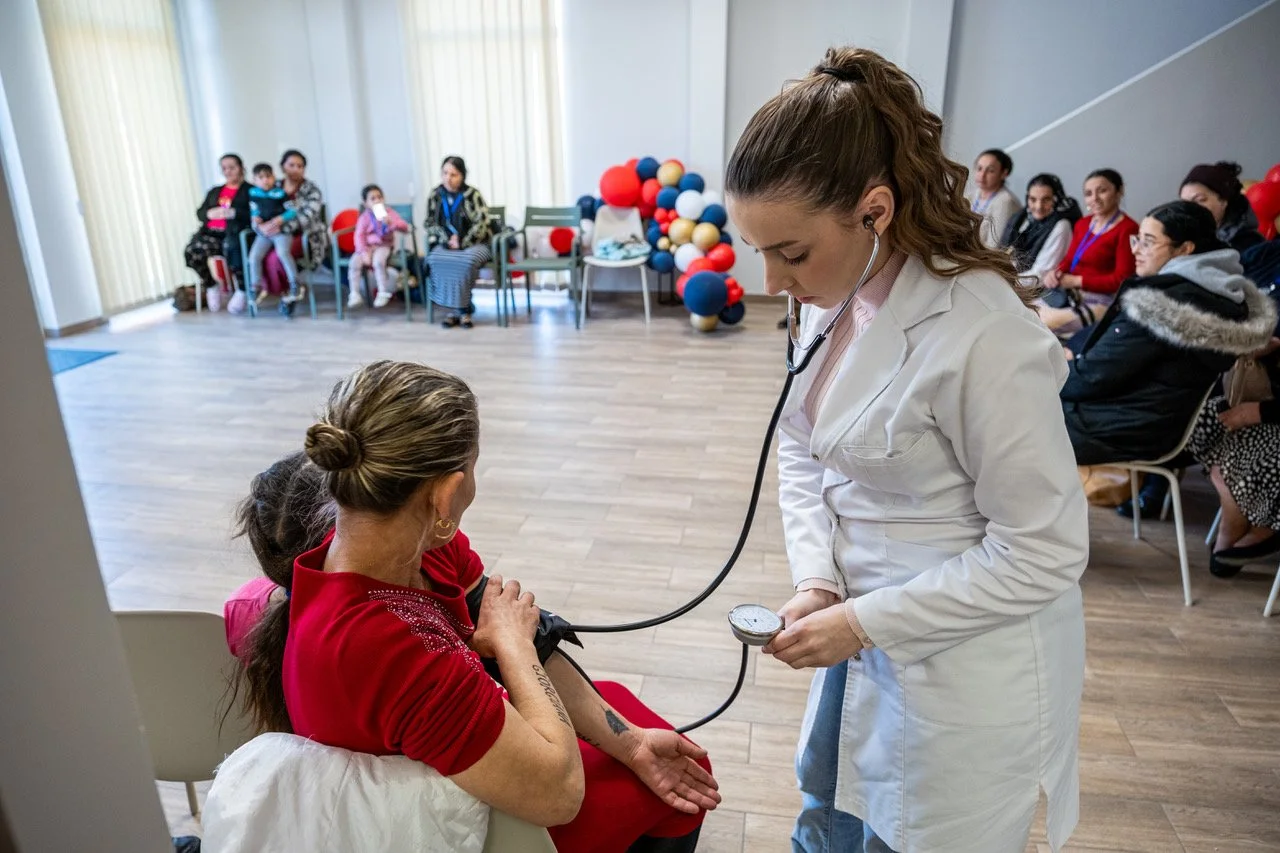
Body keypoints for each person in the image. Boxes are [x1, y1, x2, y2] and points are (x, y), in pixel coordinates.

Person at [725, 47, 1088, 853]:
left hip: (962, 665)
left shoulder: (983, 333)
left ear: (875, 211)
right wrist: (818, 578)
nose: (773, 282)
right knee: (828, 814)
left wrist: (865, 622)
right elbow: (803, 447)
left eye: (791, 252)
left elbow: (1044, 551)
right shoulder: (834, 291)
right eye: (759, 252)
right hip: (856, 628)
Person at [231, 362, 720, 851]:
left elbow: (504, 628)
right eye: (473, 470)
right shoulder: (385, 648)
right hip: (457, 825)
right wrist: (514, 644)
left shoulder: (417, 544)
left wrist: (630, 741)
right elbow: (560, 794)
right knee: (680, 788)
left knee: (635, 726)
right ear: (445, 494)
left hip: (454, 767)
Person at [1060, 201, 1275, 468]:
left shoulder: (1162, 305)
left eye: (1148, 242)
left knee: (1017, 409)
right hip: (1154, 425)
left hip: (1115, 428)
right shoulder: (1219, 294)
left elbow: (1091, 378)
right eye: (1137, 239)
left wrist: (1053, 369)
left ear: (1185, 249)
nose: (1136, 250)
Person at [1040, 169, 1139, 335]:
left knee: (1043, 323)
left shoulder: (1129, 229)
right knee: (1023, 310)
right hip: (1070, 293)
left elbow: (1122, 280)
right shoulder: (1083, 224)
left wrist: (1078, 281)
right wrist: (1056, 273)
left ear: (1119, 191)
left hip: (1103, 300)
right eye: (1088, 193)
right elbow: (1069, 260)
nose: (1094, 198)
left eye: (1102, 191)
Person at [424, 156, 493, 329]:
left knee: (464, 261)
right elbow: (429, 223)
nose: (448, 178)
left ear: (462, 175)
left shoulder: (472, 195)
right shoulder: (436, 195)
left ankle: (463, 310)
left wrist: (462, 241)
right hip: (447, 243)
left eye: (453, 174)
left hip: (475, 243)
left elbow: (482, 223)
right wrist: (446, 239)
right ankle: (454, 310)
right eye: (445, 173)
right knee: (435, 259)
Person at [184, 153, 250, 301]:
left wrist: (234, 213)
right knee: (192, 251)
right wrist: (209, 213)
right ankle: (211, 285)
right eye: (224, 168)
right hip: (211, 234)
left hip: (233, 235)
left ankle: (242, 289)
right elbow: (200, 213)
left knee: (232, 248)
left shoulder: (249, 190)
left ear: (241, 168)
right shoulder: (215, 192)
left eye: (232, 167)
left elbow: (255, 214)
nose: (228, 171)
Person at [246, 164, 304, 312]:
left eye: (268, 176)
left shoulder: (280, 193)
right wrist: (256, 220)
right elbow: (254, 210)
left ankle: (295, 283)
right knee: (253, 257)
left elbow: (292, 211)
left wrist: (279, 220)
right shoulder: (253, 193)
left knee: (283, 253)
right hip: (264, 233)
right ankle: (256, 286)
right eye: (261, 177)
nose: (265, 180)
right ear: (254, 180)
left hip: (281, 231)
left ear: (273, 177)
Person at [1000, 173, 1081, 279]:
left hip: (1038, 287)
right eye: (1033, 199)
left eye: (1046, 200)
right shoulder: (1022, 218)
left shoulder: (1062, 226)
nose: (1039, 206)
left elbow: (1040, 275)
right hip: (1017, 281)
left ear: (1056, 199)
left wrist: (1006, 281)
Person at [347, 184, 411, 310]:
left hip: (383, 245)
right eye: (372, 198)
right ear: (366, 203)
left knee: (378, 262)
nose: (377, 200)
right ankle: (354, 293)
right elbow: (359, 235)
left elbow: (404, 227)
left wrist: (391, 223)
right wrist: (363, 252)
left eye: (379, 197)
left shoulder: (389, 213)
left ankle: (382, 292)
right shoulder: (364, 217)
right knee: (354, 262)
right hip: (367, 247)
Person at [1180, 161, 1266, 253]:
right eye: (1185, 203)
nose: (1189, 209)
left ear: (1223, 200)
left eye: (1200, 200)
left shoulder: (1249, 245)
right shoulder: (1186, 239)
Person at [969, 148, 1022, 249]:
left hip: (983, 256)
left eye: (990, 171)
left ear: (1004, 174)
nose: (982, 175)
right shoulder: (973, 194)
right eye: (979, 168)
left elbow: (994, 246)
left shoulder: (1005, 201)